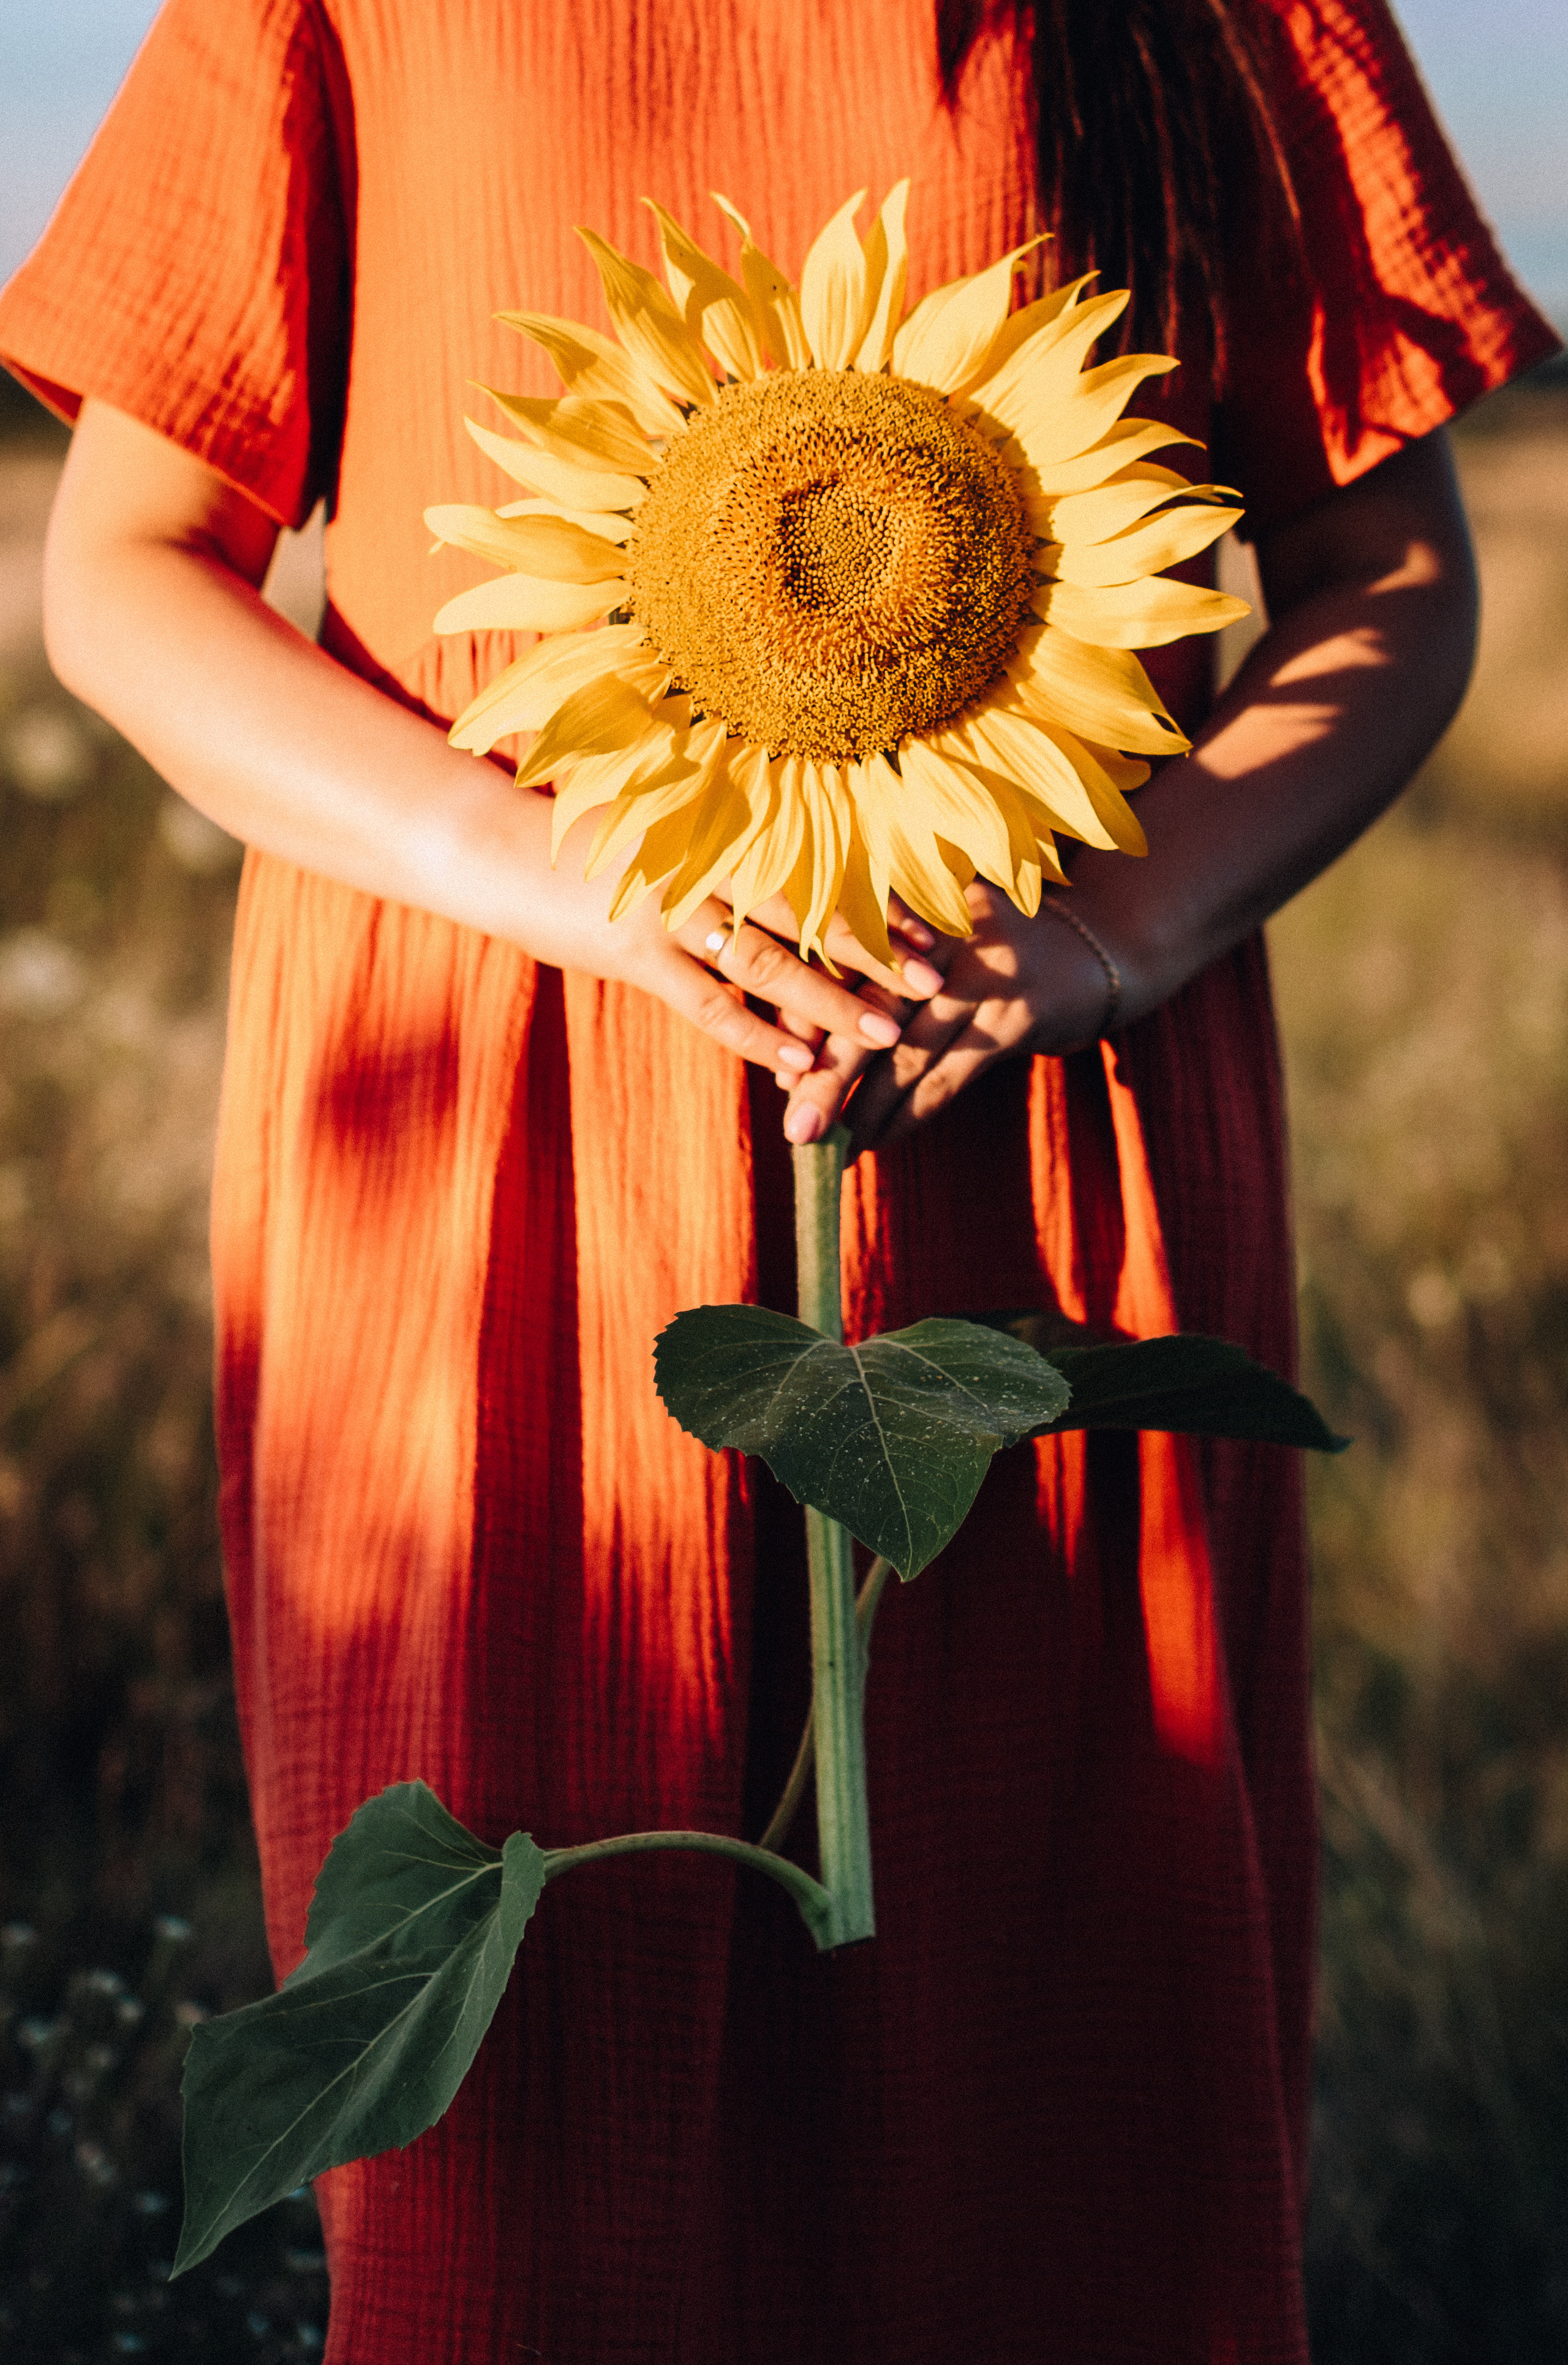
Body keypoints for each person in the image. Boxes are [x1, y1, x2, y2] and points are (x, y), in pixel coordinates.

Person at [0, 1, 1554, 2357]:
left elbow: (1390, 571)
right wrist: (544, 864)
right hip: (498, 1124)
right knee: (523, 2161)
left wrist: (1111, 937)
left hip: (1027, 1130)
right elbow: (129, 561)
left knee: (1059, 2114)